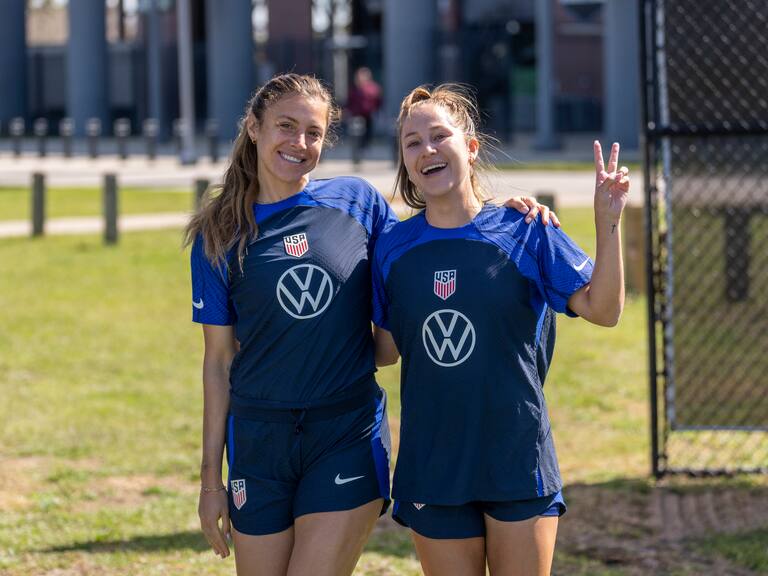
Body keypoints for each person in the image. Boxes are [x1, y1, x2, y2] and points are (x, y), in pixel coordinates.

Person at [183, 74, 558, 576]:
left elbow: (434, 234)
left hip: (344, 431)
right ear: (253, 127)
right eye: (285, 126)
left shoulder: (357, 204)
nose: (299, 143)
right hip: (258, 441)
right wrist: (211, 482)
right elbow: (218, 363)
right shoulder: (219, 235)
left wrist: (503, 212)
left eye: (313, 133)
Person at [371, 84, 629, 576]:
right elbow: (384, 349)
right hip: (434, 462)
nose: (427, 149)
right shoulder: (391, 249)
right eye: (412, 142)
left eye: (438, 135)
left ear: (470, 146)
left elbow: (604, 309)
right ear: (404, 161)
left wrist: (607, 222)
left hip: (516, 456)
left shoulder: (527, 228)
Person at [346, 67, 382, 162]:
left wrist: (376, 110)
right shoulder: (354, 89)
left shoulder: (373, 88)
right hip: (356, 115)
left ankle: (364, 148)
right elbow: (350, 102)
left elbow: (378, 101)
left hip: (368, 115)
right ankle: (357, 151)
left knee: (368, 132)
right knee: (356, 134)